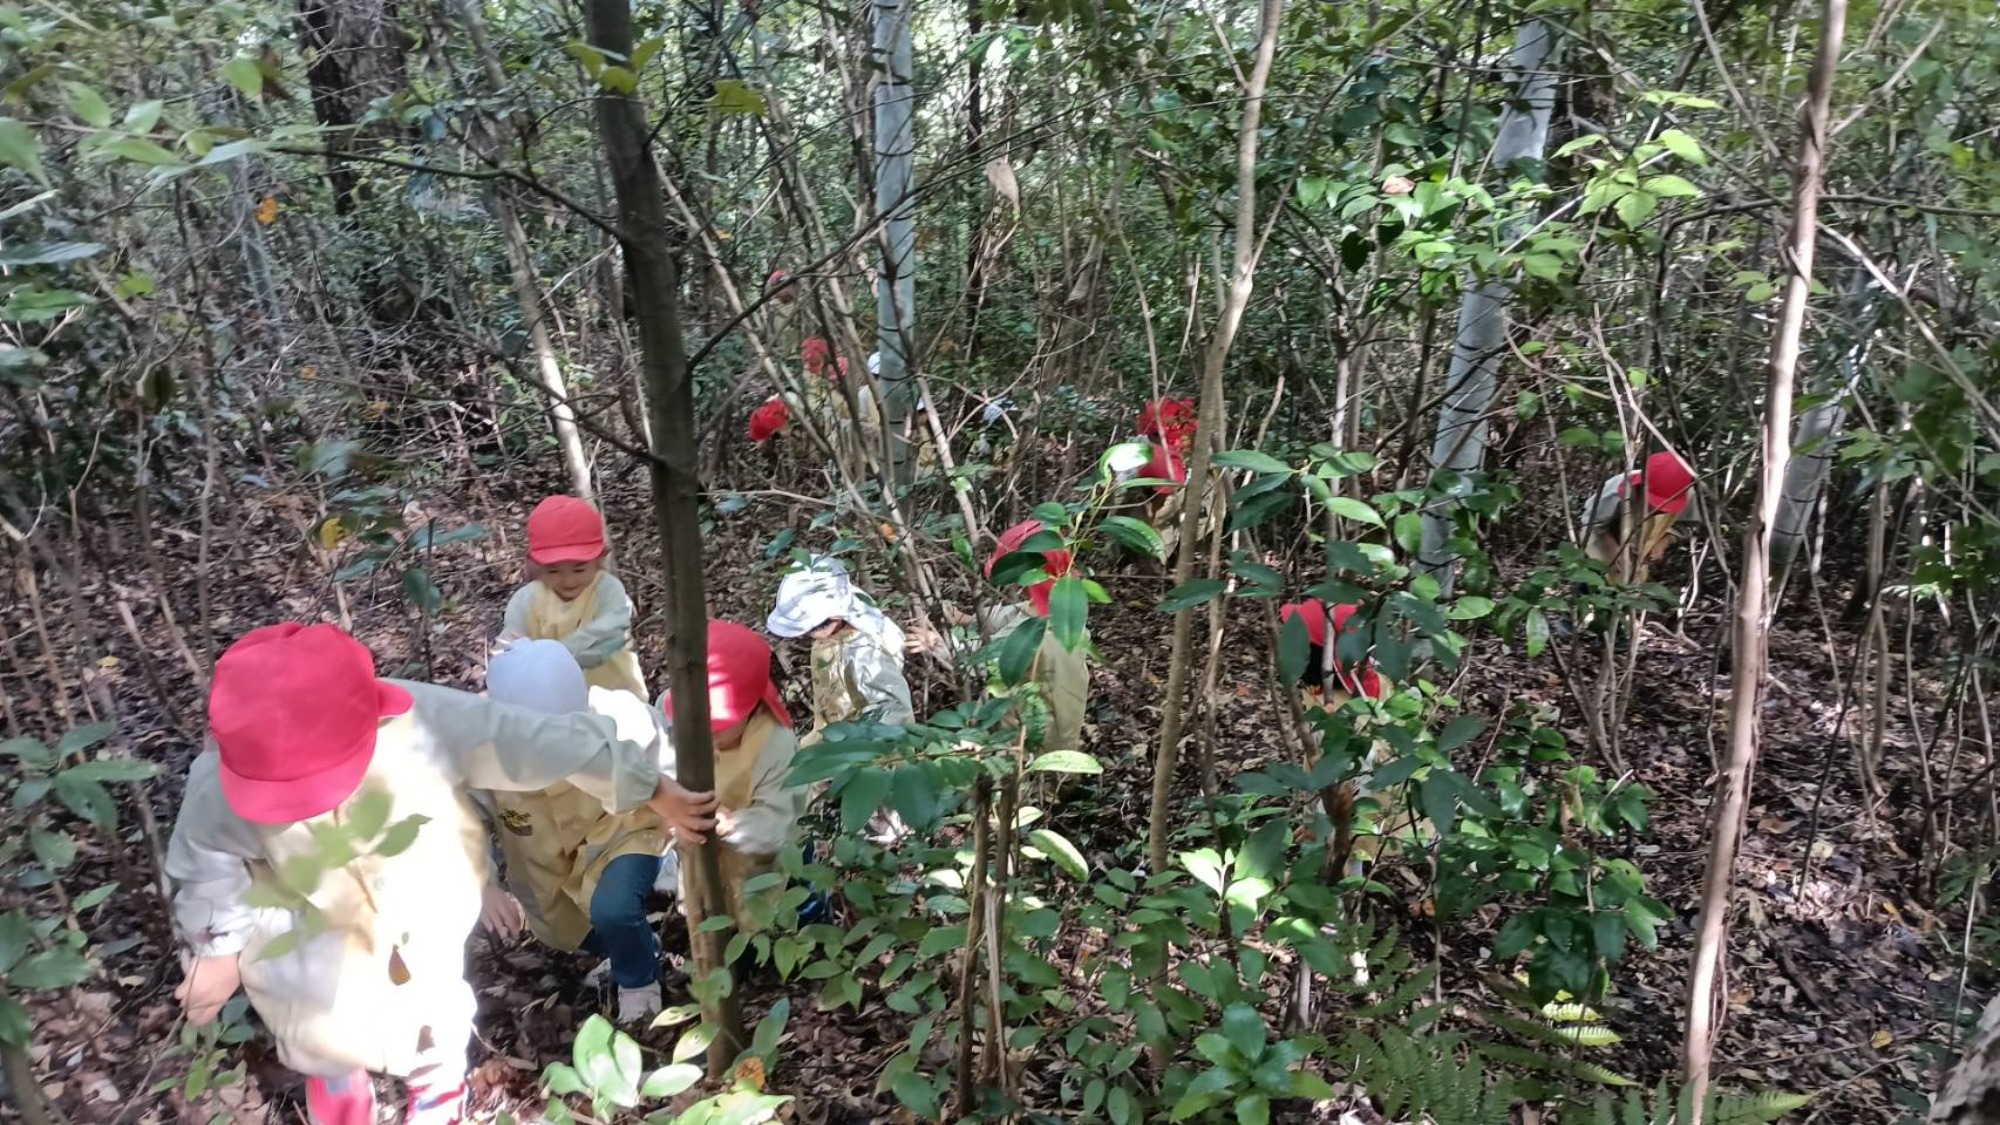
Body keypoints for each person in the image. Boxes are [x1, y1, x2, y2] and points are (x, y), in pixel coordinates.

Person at [166, 623, 715, 1125]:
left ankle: (436, 1097)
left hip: (418, 888)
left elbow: (532, 737)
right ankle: (340, 1102)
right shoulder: (218, 789)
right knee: (313, 1017)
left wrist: (647, 785)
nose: (306, 806)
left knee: (429, 1010)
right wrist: (216, 949)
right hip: (310, 907)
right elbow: (205, 863)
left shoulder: (421, 721)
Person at [478, 641, 677, 1024]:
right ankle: (631, 951)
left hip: (621, 831)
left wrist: (673, 815)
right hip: (545, 862)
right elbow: (462, 821)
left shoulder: (617, 717)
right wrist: (482, 881)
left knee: (613, 907)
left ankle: (639, 982)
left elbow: (663, 751)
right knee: (560, 928)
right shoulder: (482, 754)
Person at [658, 622, 809, 932]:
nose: (705, 736)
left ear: (751, 707)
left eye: (718, 727)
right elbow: (655, 766)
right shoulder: (669, 710)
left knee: (758, 920)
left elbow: (779, 822)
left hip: (754, 865)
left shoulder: (774, 742)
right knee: (705, 915)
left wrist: (733, 825)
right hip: (699, 857)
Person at [956, 519, 1090, 755]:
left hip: (1030, 744)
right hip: (1066, 734)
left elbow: (982, 656)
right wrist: (967, 619)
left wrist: (934, 643)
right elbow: (1017, 612)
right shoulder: (1067, 607)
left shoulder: (1031, 636)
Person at [501, 496, 648, 699]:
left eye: (579, 569)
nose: (568, 580)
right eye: (553, 571)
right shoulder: (527, 600)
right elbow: (509, 646)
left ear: (599, 560)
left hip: (617, 701)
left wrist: (547, 658)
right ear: (535, 565)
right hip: (554, 704)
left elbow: (609, 635)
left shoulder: (607, 590)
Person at [765, 557, 914, 745]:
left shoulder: (865, 652)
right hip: (833, 728)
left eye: (812, 629)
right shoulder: (834, 634)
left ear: (834, 617)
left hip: (859, 745)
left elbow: (895, 711)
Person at [1579, 450, 1699, 584]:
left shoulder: (1686, 496)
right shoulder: (1616, 491)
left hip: (1637, 553)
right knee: (1591, 584)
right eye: (1653, 503)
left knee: (1627, 588)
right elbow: (1592, 522)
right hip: (1600, 543)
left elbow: (1683, 525)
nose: (1656, 510)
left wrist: (1662, 542)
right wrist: (1612, 550)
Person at [1278, 599, 1386, 710]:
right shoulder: (1361, 633)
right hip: (1318, 637)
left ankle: (1315, 684)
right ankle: (1316, 684)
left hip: (1316, 625)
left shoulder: (1359, 616)